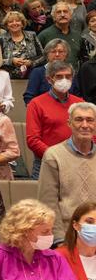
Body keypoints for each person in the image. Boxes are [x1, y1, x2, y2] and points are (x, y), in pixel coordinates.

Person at [39, 103, 96, 243]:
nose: (84, 125)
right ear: (69, 123)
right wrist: (59, 239)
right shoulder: (53, 155)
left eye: (90, 120)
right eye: (78, 119)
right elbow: (48, 202)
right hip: (67, 235)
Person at [26, 61, 82, 178]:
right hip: (46, 163)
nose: (64, 80)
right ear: (49, 79)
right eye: (59, 76)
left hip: (77, 162)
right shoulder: (36, 104)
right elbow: (33, 140)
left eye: (68, 76)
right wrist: (56, 155)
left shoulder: (80, 103)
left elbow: (91, 133)